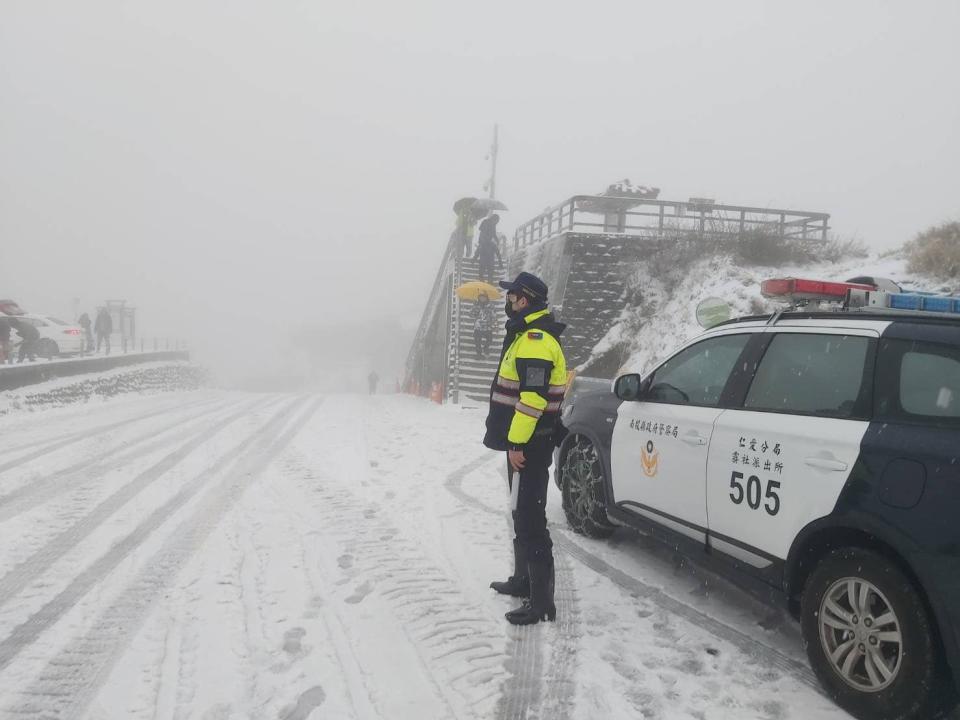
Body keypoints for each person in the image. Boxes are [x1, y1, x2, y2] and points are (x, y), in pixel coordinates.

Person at [483, 271, 567, 625]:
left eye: (512, 295)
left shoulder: (534, 340)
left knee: (532, 519)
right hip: (525, 441)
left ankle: (540, 601)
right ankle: (522, 581)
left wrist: (517, 442)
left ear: (525, 299)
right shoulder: (524, 334)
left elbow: (532, 400)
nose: (508, 300)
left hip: (530, 442)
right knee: (520, 511)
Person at [474, 214, 504, 283]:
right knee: (483, 271)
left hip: (487, 256)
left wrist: (496, 239)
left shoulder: (493, 225)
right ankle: (484, 283)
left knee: (488, 272)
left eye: (497, 222)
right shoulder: (485, 222)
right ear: (494, 219)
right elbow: (481, 230)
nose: (497, 223)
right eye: (496, 221)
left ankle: (488, 284)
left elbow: (493, 233)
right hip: (483, 241)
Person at [473, 293, 495, 358]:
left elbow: (494, 315)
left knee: (490, 339)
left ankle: (486, 348)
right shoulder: (476, 305)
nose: (482, 298)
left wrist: (493, 322)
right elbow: (471, 314)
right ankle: (479, 353)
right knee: (477, 340)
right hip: (478, 326)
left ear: (486, 298)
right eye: (481, 297)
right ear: (479, 298)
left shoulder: (490, 305)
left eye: (484, 297)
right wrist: (474, 308)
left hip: (487, 326)